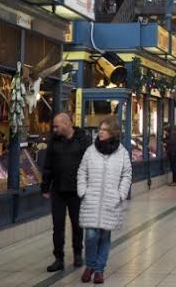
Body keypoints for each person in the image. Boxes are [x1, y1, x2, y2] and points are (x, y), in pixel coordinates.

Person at [77, 117, 132, 285]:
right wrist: (82, 191)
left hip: (111, 201)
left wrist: (120, 194)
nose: (100, 131)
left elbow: (126, 174)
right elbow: (82, 171)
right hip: (91, 200)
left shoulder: (122, 152)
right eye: (100, 129)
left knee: (105, 235)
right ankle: (90, 265)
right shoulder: (90, 151)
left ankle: (99, 270)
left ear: (113, 133)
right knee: (91, 235)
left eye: (104, 129)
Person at [42, 113, 92, 272]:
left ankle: (78, 253)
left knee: (77, 224)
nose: (54, 129)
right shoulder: (54, 141)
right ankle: (59, 258)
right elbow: (48, 165)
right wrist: (45, 186)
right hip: (58, 189)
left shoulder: (83, 140)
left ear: (66, 124)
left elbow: (91, 164)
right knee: (58, 225)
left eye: (57, 126)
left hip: (77, 190)